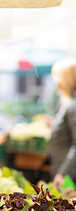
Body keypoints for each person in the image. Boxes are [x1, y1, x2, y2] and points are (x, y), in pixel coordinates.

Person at [49, 58, 76, 189]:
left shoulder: (73, 106)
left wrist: (63, 173)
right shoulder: (67, 102)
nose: (56, 82)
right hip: (63, 171)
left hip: (69, 177)